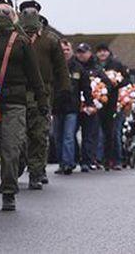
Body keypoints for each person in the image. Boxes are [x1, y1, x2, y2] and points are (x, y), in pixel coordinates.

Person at [0, 0, 44, 211]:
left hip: (15, 102)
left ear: (13, 16)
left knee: (12, 148)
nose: (2, 15)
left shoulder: (22, 42)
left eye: (6, 12)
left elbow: (34, 75)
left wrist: (42, 101)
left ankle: (8, 191)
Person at [18, 0, 69, 190]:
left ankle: (36, 172)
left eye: (33, 12)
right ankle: (20, 166)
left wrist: (64, 90)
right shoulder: (15, 36)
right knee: (19, 135)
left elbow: (61, 68)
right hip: (19, 91)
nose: (29, 16)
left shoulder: (50, 39)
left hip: (44, 93)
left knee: (39, 135)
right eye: (25, 12)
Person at [54, 39, 90, 175]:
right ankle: (61, 163)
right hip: (56, 107)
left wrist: (89, 103)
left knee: (68, 136)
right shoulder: (54, 65)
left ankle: (68, 163)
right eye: (62, 50)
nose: (65, 52)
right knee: (58, 137)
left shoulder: (78, 68)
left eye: (67, 49)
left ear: (71, 50)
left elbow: (86, 88)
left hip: (72, 107)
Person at [74, 43, 111, 171]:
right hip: (75, 106)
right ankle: (72, 159)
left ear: (89, 53)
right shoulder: (73, 67)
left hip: (91, 107)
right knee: (71, 134)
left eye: (83, 52)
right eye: (78, 52)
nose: (81, 54)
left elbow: (108, 85)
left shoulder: (97, 69)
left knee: (89, 135)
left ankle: (87, 160)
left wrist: (99, 97)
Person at [96, 43, 131, 170]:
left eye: (104, 51)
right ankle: (98, 159)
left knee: (112, 133)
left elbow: (127, 80)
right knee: (97, 133)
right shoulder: (94, 64)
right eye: (99, 51)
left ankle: (113, 159)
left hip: (113, 103)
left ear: (108, 52)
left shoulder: (116, 64)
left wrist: (117, 82)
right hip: (97, 103)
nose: (102, 53)